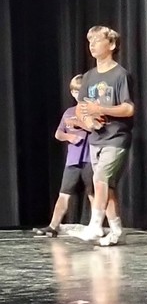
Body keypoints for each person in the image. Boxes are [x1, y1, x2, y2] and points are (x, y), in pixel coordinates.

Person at [72, 26, 136, 246]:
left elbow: (128, 109)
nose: (92, 45)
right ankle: (117, 230)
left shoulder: (120, 75)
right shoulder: (89, 77)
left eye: (97, 40)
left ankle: (95, 225)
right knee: (105, 185)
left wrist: (102, 110)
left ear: (111, 45)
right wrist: (89, 121)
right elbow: (81, 108)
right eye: (90, 41)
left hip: (116, 137)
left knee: (100, 178)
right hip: (95, 138)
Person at [34, 75, 94, 237]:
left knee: (93, 195)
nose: (76, 94)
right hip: (73, 161)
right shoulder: (69, 112)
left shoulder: (93, 110)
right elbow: (58, 133)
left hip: (90, 159)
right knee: (64, 194)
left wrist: (78, 124)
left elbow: (98, 128)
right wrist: (70, 137)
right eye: (74, 91)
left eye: (79, 90)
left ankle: (97, 226)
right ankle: (53, 226)